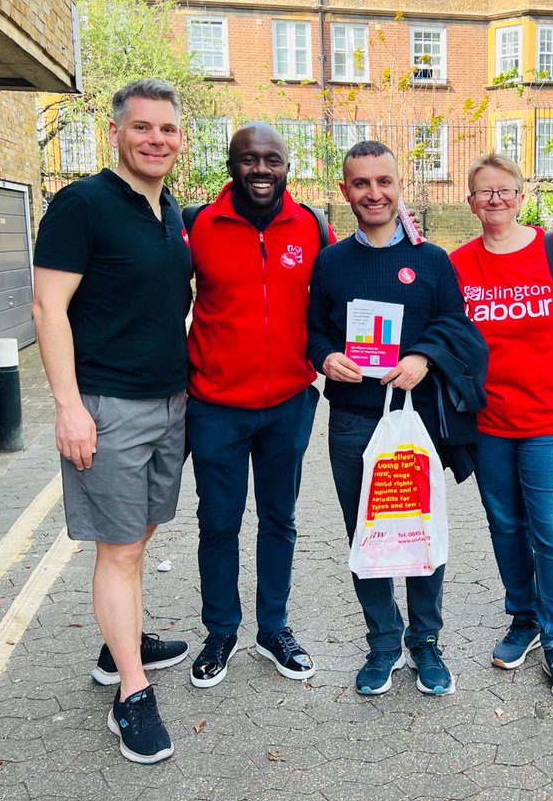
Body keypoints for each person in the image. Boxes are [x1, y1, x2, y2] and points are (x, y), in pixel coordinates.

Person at [32, 79, 191, 764]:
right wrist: (69, 406)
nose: (156, 139)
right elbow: (47, 308)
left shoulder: (170, 209)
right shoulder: (82, 204)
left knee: (141, 531)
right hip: (107, 405)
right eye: (143, 128)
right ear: (116, 132)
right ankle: (130, 691)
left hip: (170, 401)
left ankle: (117, 640)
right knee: (119, 548)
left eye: (168, 130)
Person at [307, 140, 486, 698]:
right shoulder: (331, 262)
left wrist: (423, 355)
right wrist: (324, 357)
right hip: (354, 422)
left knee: (418, 532)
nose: (374, 193)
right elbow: (312, 329)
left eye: (383, 181)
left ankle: (426, 643)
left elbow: (459, 326)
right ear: (345, 191)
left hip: (416, 421)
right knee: (368, 537)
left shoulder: (431, 260)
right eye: (361, 183)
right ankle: (383, 642)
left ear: (399, 185)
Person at [184, 123, 334, 690]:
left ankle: (273, 628)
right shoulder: (198, 224)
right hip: (216, 407)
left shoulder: (313, 226)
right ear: (231, 164)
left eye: (272, 159)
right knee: (218, 523)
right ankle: (220, 631)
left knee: (279, 520)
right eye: (250, 159)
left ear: (288, 165)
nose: (261, 170)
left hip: (288, 404)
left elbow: (336, 300)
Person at [449, 153, 553, 703]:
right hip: (489, 423)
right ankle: (525, 618)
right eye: (483, 191)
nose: (495, 199)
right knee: (504, 524)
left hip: (550, 421)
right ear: (470, 203)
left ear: (520, 195)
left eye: (504, 190)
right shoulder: (459, 262)